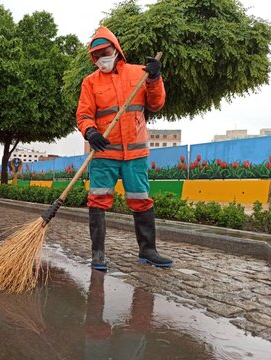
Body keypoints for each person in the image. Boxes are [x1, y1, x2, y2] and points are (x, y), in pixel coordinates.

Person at [76, 26, 174, 271]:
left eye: (105, 52)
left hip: (135, 154)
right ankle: (98, 253)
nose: (101, 59)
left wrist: (154, 79)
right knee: (97, 201)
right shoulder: (90, 82)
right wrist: (90, 132)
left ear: (116, 49)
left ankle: (148, 250)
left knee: (141, 200)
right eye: (96, 55)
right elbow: (84, 114)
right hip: (104, 154)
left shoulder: (138, 74)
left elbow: (156, 103)